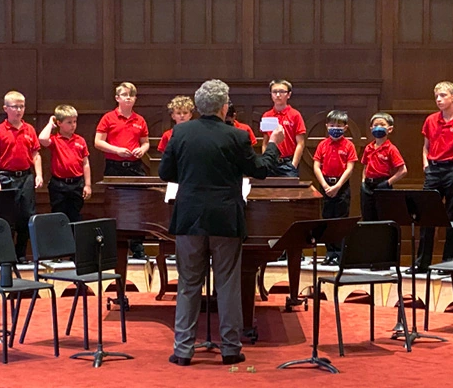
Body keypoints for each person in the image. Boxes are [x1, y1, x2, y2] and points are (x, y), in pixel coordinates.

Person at [159, 79, 285, 367]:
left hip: (189, 217)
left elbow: (167, 172)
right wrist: (273, 146)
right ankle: (230, 348)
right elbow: (260, 170)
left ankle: (183, 350)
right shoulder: (236, 137)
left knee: (188, 284)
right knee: (228, 284)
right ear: (224, 106)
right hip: (226, 218)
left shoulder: (180, 133)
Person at [412, 81, 453, 274]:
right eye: (436, 96)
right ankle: (422, 263)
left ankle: (448, 263)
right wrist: (425, 164)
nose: (439, 99)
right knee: (427, 216)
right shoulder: (431, 120)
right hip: (433, 169)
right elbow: (426, 146)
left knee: (451, 217)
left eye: (443, 95)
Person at [95, 82, 149, 259]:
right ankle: (114, 247)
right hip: (114, 166)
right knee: (115, 207)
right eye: (125, 94)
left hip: (135, 167)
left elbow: (145, 142)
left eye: (131, 95)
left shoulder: (139, 120)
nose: (128, 97)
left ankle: (137, 247)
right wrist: (116, 150)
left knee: (137, 207)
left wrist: (143, 149)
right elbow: (98, 142)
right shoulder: (108, 118)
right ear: (117, 98)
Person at [0, 91, 43, 264]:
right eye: (15, 107)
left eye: (21, 106)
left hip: (26, 177)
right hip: (6, 177)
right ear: (6, 108)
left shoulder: (29, 129)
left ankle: (21, 254)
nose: (19, 110)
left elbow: (36, 155)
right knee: (7, 217)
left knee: (26, 216)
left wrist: (39, 174)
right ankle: (7, 255)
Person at [312, 110, 357, 265]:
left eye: (338, 125)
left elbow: (350, 168)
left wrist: (337, 186)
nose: (335, 128)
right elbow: (316, 166)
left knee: (340, 220)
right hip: (325, 184)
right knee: (327, 219)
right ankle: (330, 253)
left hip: (341, 186)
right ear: (326, 126)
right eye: (332, 125)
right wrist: (325, 185)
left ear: (345, 127)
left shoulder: (349, 145)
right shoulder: (322, 145)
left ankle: (340, 253)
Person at [38, 104, 91, 222]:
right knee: (58, 216)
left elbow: (85, 163)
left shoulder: (80, 140)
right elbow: (42, 139)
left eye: (74, 122)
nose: (73, 125)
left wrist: (87, 185)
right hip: (59, 185)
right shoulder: (55, 140)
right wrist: (50, 124)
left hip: (77, 184)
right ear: (59, 123)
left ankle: (73, 239)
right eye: (69, 122)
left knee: (75, 215)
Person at [360, 112, 407, 221]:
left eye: (382, 125)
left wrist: (387, 183)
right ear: (371, 128)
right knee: (367, 217)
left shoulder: (391, 149)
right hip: (367, 186)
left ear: (389, 129)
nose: (378, 127)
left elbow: (403, 170)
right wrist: (363, 181)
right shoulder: (368, 148)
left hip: (382, 184)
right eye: (375, 125)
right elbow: (365, 166)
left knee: (382, 218)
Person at [261, 79, 306, 177]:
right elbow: (265, 142)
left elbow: (300, 143)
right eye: (274, 92)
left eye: (281, 92)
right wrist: (265, 161)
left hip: (288, 163)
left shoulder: (295, 115)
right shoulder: (266, 115)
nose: (278, 95)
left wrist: (293, 165)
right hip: (271, 162)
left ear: (288, 95)